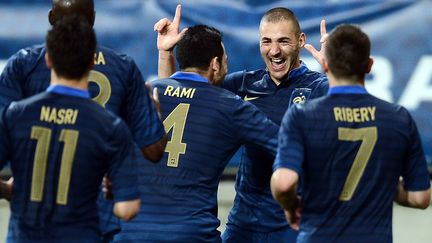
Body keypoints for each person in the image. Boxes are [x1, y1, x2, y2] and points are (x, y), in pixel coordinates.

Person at [155, 5, 328, 242]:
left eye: (283, 41)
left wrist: (335, 73)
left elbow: (350, 118)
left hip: (295, 220)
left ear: (300, 41)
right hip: (245, 222)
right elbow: (179, 97)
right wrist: (166, 54)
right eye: (266, 41)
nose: (274, 50)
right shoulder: (244, 84)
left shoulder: (320, 87)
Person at [0, 0, 167, 240]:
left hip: (28, 226)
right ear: (94, 19)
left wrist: (7, 189)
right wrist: (156, 117)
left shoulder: (23, 74)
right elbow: (153, 150)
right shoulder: (122, 73)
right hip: (93, 225)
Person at [114, 24, 280, 242]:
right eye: (226, 61)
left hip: (128, 232)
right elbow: (288, 146)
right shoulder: (231, 107)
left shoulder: (144, 95)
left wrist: (165, 54)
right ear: (215, 64)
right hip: (191, 234)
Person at [271, 24, 431, 242]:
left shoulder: (302, 116)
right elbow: (421, 197)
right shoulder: (399, 118)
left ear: (325, 64)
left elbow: (283, 183)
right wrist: (382, 183)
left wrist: (290, 209)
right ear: (370, 65)